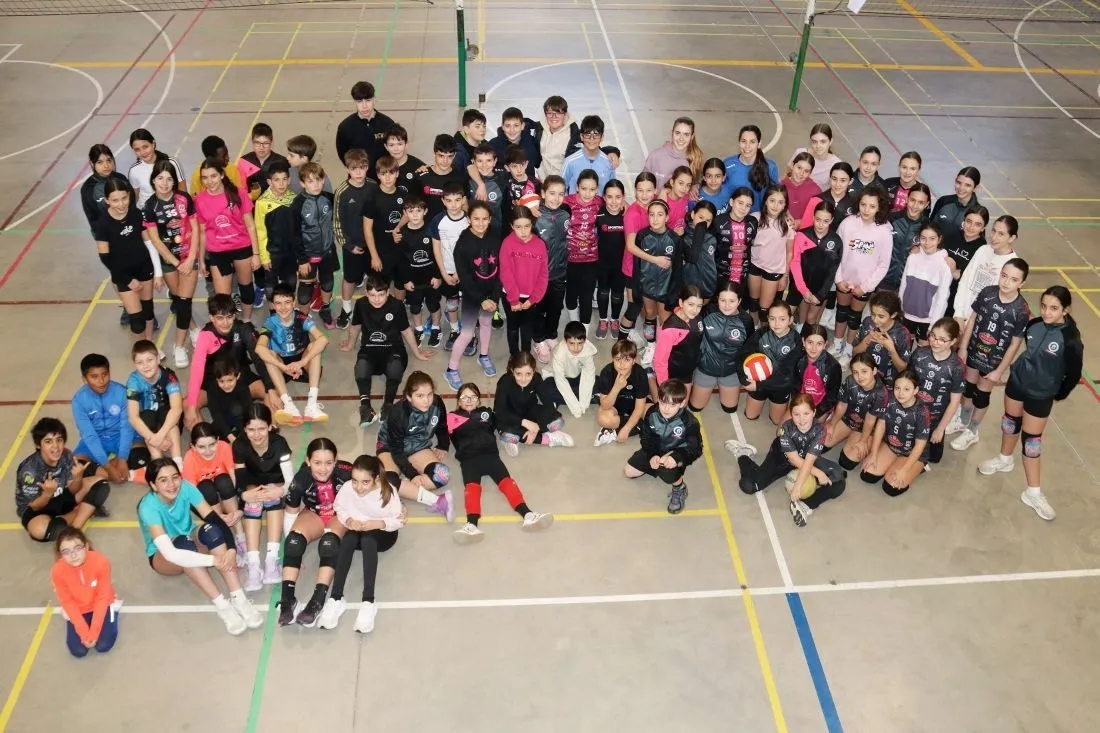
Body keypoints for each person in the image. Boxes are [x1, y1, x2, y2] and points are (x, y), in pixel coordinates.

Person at [977, 286, 1083, 520]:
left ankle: (1033, 492)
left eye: (1054, 308)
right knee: (1009, 423)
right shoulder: (1034, 325)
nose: (1046, 312)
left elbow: (1074, 374)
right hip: (1017, 384)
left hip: (1041, 394)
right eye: (1044, 306)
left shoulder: (1070, 339)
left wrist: (1056, 393)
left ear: (1065, 310)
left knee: (1032, 441)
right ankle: (1004, 459)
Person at [139, 457, 261, 634]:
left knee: (211, 530)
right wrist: (214, 560)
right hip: (163, 557)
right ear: (153, 485)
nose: (172, 485)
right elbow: (171, 554)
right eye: (163, 480)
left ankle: (239, 597)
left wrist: (232, 549)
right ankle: (223, 606)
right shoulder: (148, 507)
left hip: (190, 540)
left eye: (175, 477)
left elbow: (215, 520)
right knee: (183, 545)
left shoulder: (186, 487)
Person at [449, 385, 555, 544]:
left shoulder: (486, 413)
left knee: (507, 483)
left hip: (490, 456)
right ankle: (471, 525)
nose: (469, 400)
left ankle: (528, 514)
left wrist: (525, 429)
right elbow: (442, 432)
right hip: (469, 460)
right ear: (458, 401)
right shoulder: (452, 417)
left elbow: (504, 421)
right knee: (472, 489)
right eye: (464, 397)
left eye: (473, 397)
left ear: (478, 401)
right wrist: (441, 447)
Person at [948, 258, 1030, 452]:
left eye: (1013, 279)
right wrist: (963, 348)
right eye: (1004, 276)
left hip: (993, 361)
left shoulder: (1021, 310)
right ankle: (963, 421)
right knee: (968, 389)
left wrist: (999, 371)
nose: (1006, 282)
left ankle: (972, 431)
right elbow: (972, 321)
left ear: (1022, 283)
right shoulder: (987, 293)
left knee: (981, 395)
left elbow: (1015, 344)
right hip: (974, 351)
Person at [323, 454, 407, 632]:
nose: (358, 487)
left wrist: (379, 523)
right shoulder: (348, 488)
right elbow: (339, 507)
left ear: (376, 478)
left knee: (368, 540)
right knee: (348, 539)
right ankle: (336, 598)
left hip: (383, 535)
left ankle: (369, 601)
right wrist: (349, 521)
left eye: (365, 482)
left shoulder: (388, 491)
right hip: (358, 530)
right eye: (355, 481)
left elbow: (399, 521)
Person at [737, 393, 847, 527]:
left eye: (806, 413)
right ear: (791, 414)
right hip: (782, 458)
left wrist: (801, 486)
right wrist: (816, 475)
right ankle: (744, 454)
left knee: (838, 480)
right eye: (796, 414)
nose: (802, 419)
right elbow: (795, 460)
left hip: (806, 458)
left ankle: (805, 506)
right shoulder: (786, 429)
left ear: (814, 412)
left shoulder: (819, 430)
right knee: (748, 485)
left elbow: (809, 460)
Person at [278, 438, 353, 627]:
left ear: (336, 461)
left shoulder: (347, 473)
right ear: (308, 461)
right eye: (317, 463)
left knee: (328, 544)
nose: (323, 469)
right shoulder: (301, 478)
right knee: (293, 543)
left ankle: (317, 601)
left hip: (339, 514)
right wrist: (292, 553)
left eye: (329, 463)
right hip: (314, 514)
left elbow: (374, 485)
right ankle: (287, 600)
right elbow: (290, 513)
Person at [341, 274, 429, 427]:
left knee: (395, 369)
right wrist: (350, 344)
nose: (377, 299)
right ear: (366, 293)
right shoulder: (361, 304)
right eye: (372, 295)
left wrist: (417, 353)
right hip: (370, 349)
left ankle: (388, 405)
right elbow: (355, 327)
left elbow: (406, 330)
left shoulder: (396, 305)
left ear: (388, 292)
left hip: (393, 349)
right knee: (360, 367)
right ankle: (366, 408)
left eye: (381, 295)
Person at [185, 294, 279, 430]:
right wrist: (192, 405)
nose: (225, 322)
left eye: (229, 317)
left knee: (272, 396)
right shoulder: (205, 335)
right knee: (188, 406)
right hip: (213, 381)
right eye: (220, 318)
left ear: (234, 316)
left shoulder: (244, 329)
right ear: (211, 318)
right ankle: (205, 439)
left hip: (241, 376)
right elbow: (197, 370)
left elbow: (258, 358)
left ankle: (268, 432)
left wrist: (270, 388)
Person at [143, 159, 200, 366]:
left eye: (169, 179)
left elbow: (195, 227)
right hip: (169, 261)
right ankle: (193, 328)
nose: (164, 183)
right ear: (153, 180)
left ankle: (179, 346)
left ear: (174, 181)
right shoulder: (150, 206)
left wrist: (191, 258)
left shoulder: (184, 198)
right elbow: (155, 240)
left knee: (183, 301)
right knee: (179, 299)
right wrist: (176, 263)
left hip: (189, 257)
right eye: (160, 178)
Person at [375, 372, 456, 519]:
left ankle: (401, 488)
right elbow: (397, 450)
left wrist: (443, 445)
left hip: (418, 445)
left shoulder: (437, 403)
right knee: (388, 482)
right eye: (420, 396)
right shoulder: (398, 413)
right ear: (408, 396)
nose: (426, 400)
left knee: (442, 475)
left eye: (429, 394)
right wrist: (413, 474)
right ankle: (437, 501)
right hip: (391, 447)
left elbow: (441, 425)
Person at [16, 418, 111, 542]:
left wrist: (77, 478)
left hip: (62, 497)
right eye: (48, 441)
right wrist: (47, 494)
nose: (55, 446)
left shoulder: (66, 455)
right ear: (38, 445)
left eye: (59, 440)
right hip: (37, 510)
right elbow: (35, 507)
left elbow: (73, 491)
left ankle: (75, 530)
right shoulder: (29, 471)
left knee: (101, 483)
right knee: (41, 530)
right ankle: (85, 511)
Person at [93, 177, 162, 342]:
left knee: (148, 312)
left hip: (144, 269)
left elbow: (149, 243)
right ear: (107, 200)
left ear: (129, 196)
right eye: (115, 200)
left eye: (124, 198)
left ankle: (149, 346)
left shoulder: (136, 213)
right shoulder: (102, 223)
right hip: (123, 275)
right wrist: (127, 279)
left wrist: (158, 272)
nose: (121, 204)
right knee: (137, 321)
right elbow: (105, 257)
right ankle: (140, 350)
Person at [231, 403, 292, 592]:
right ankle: (254, 565)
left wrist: (281, 491)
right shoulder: (239, 445)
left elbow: (290, 480)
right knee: (253, 505)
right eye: (251, 430)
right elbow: (240, 480)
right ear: (244, 429)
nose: (257, 435)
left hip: (277, 484)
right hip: (253, 485)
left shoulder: (280, 444)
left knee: (272, 498)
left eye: (261, 429)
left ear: (270, 426)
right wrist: (244, 495)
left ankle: (271, 560)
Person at [194, 157, 260, 320]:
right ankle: (228, 326)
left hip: (242, 248)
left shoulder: (238, 193)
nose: (209, 181)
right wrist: (201, 260)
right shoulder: (200, 200)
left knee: (246, 287)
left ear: (222, 175)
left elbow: (251, 226)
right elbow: (202, 232)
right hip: (218, 252)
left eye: (213, 176)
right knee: (223, 297)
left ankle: (246, 321)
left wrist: (256, 254)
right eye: (205, 177)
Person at [446, 201, 502, 388]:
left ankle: (483, 356)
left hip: (490, 295)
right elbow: (465, 277)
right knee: (467, 333)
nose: (480, 223)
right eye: (476, 219)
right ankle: (451, 369)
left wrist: (494, 297)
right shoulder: (463, 243)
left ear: (490, 219)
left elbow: (501, 270)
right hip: (473, 295)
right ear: (469, 219)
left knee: (486, 323)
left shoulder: (495, 238)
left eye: (484, 219)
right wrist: (482, 299)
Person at [831, 184, 892, 356]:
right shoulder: (847, 223)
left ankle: (849, 349)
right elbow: (835, 253)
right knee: (841, 312)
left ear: (879, 208)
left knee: (854, 317)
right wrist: (839, 279)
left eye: (872, 206)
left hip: (863, 286)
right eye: (863, 204)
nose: (866, 209)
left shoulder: (884, 232)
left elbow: (883, 265)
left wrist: (865, 287)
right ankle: (837, 344)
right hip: (844, 280)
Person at [255, 282, 329, 423]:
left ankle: (311, 406)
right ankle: (289, 406)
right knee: (268, 354)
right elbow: (259, 348)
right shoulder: (270, 322)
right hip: (282, 367)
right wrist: (283, 367)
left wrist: (302, 362)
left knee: (314, 346)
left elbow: (323, 339)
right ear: (273, 305)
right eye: (278, 303)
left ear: (294, 302)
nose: (283, 307)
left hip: (303, 364)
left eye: (287, 302)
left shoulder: (301, 318)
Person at [625, 379, 702, 514]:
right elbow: (646, 437)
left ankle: (679, 487)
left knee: (666, 469)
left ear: (682, 403)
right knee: (629, 472)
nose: (666, 409)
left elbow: (696, 449)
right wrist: (652, 454)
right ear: (658, 399)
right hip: (656, 449)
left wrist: (677, 457)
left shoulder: (689, 422)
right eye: (663, 402)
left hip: (676, 452)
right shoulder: (652, 413)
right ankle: (658, 466)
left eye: (672, 405)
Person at [72, 353, 145, 492]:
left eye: (105, 374)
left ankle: (103, 471)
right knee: (75, 466)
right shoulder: (78, 401)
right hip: (97, 438)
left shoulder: (122, 392)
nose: (101, 381)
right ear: (84, 379)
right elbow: (89, 435)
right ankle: (113, 470)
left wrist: (122, 458)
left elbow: (127, 427)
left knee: (141, 454)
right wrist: (108, 467)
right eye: (94, 377)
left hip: (121, 436)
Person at [860, 370, 931, 496]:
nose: (901, 393)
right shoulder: (889, 399)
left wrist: (904, 470)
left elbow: (920, 445)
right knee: (867, 475)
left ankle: (920, 467)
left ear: (915, 390)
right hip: (891, 446)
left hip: (910, 453)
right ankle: (893, 461)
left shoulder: (921, 411)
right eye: (897, 388)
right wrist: (874, 454)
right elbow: (881, 426)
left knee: (891, 488)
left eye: (906, 389)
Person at [51, 527, 120, 658]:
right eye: (66, 551)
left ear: (86, 547)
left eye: (77, 548)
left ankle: (114, 610)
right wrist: (84, 633)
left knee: (103, 646)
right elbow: (67, 602)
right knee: (78, 651)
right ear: (60, 554)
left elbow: (102, 597)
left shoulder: (101, 561)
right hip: (79, 609)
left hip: (103, 604)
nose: (73, 555)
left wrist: (93, 633)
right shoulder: (57, 572)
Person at [182, 422, 246, 558]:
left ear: (217, 440)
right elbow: (192, 495)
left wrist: (238, 510)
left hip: (225, 494)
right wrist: (215, 517)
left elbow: (234, 477)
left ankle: (240, 536)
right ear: (193, 447)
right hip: (207, 498)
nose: (208, 451)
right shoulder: (189, 458)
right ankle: (220, 527)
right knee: (205, 486)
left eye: (212, 444)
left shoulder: (224, 447)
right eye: (201, 447)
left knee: (223, 480)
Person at [689, 281, 753, 414]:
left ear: (739, 301)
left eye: (732, 301)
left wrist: (747, 373)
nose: (727, 305)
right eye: (723, 300)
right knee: (695, 407)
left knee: (729, 409)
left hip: (731, 370)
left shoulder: (746, 320)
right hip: (706, 367)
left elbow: (748, 349)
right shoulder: (707, 312)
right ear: (717, 299)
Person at [907, 317, 964, 466]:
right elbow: (906, 382)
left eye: (942, 340)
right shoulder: (919, 354)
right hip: (912, 413)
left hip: (935, 419)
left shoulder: (956, 367)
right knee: (907, 450)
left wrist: (940, 429)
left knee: (934, 458)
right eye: (932, 336)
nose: (935, 342)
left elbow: (954, 402)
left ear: (953, 341)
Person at [493, 351, 575, 455]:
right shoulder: (504, 382)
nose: (523, 379)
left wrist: (535, 428)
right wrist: (525, 423)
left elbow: (548, 404)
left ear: (534, 371)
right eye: (518, 374)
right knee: (504, 427)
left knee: (557, 419)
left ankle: (516, 437)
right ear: (512, 371)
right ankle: (548, 438)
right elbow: (499, 412)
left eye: (528, 374)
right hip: (510, 416)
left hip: (529, 410)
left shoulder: (537, 378)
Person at [738, 301, 804, 425]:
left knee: (777, 421)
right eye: (772, 318)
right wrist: (744, 379)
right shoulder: (761, 333)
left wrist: (759, 385)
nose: (777, 323)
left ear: (790, 320)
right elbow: (743, 354)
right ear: (768, 319)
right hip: (759, 380)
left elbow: (788, 373)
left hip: (780, 385)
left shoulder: (796, 340)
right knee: (750, 415)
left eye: (782, 319)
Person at [290, 161, 338, 327]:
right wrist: (302, 259)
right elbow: (295, 235)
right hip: (308, 255)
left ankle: (325, 309)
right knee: (305, 288)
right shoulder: (297, 204)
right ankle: (302, 318)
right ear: (302, 183)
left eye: (318, 180)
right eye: (310, 181)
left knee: (328, 281)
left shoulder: (328, 198)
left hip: (327, 250)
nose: (316, 184)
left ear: (323, 180)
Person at [823, 351, 890, 469]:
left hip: (867, 428)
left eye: (864, 371)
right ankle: (847, 433)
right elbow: (842, 405)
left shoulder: (880, 393)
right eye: (855, 372)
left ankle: (872, 442)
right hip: (848, 419)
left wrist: (863, 440)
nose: (860, 376)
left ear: (874, 371)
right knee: (822, 442)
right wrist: (832, 424)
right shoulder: (850, 381)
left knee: (846, 462)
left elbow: (870, 420)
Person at [355, 154, 406, 310]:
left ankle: (398, 309)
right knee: (380, 286)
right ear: (378, 175)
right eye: (383, 174)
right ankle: (382, 311)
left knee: (400, 283)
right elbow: (367, 229)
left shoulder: (403, 194)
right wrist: (374, 256)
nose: (388, 178)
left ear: (397, 173)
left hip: (400, 251)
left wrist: (398, 227)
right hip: (381, 252)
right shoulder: (372, 198)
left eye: (391, 173)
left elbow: (407, 215)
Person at [499, 205, 549, 356]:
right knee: (513, 326)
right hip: (511, 296)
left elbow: (543, 275)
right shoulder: (507, 244)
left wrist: (533, 298)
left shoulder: (540, 244)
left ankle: (526, 357)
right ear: (511, 226)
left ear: (532, 224)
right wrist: (514, 300)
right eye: (518, 227)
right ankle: (514, 357)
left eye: (527, 226)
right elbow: (505, 273)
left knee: (527, 327)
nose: (523, 231)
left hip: (531, 297)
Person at [952, 215, 1020, 323]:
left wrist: (971, 323)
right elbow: (965, 281)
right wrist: (958, 314)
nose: (994, 237)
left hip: (982, 323)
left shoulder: (1013, 265)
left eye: (1001, 234)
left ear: (1012, 238)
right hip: (960, 317)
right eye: (993, 231)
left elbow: (1001, 302)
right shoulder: (983, 250)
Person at [397, 193, 444, 346]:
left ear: (425, 211)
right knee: (415, 306)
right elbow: (401, 260)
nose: (415, 215)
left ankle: (436, 328)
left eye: (418, 210)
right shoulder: (401, 234)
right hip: (413, 280)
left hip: (431, 278)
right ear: (405, 213)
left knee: (433, 305)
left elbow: (438, 255)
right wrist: (406, 280)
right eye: (411, 211)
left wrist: (438, 276)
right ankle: (418, 329)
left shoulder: (432, 230)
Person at [628, 200, 680, 337]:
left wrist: (674, 290)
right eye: (652, 214)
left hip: (666, 289)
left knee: (665, 319)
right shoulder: (642, 236)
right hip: (647, 286)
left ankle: (663, 345)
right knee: (650, 314)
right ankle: (650, 344)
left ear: (667, 217)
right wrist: (637, 286)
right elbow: (637, 266)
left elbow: (678, 269)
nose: (655, 219)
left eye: (660, 214)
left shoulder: (674, 239)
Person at [126, 339, 183, 463]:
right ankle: (158, 462)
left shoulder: (169, 375)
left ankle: (178, 462)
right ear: (134, 364)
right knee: (146, 419)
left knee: (169, 417)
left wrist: (160, 435)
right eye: (140, 362)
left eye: (150, 360)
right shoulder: (133, 381)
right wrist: (154, 439)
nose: (145, 366)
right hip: (148, 420)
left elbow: (177, 409)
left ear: (158, 359)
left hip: (167, 417)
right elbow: (133, 417)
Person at [429, 181, 471, 352]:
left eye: (457, 200)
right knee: (451, 303)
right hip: (447, 271)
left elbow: (471, 249)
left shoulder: (469, 219)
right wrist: (444, 273)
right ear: (443, 201)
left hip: (466, 272)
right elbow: (436, 248)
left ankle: (469, 333)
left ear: (463, 200)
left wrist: (462, 272)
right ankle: (454, 331)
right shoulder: (438, 221)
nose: (453, 205)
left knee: (468, 303)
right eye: (449, 200)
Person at [333, 148, 372, 327]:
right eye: (354, 168)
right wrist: (348, 245)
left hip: (372, 245)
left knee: (375, 277)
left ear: (367, 167)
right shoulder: (342, 192)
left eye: (362, 168)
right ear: (347, 169)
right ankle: (346, 309)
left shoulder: (373, 186)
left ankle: (375, 307)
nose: (358, 172)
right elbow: (337, 223)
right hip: (353, 246)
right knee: (349, 279)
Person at [618, 173, 660, 343]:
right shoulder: (633, 214)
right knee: (634, 307)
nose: (644, 195)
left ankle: (650, 344)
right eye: (640, 190)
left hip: (650, 268)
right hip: (633, 268)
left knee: (651, 309)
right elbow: (630, 246)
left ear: (655, 190)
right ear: (635, 190)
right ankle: (621, 342)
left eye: (649, 190)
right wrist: (655, 260)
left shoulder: (656, 207)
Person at [533, 175, 571, 361]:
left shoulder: (566, 214)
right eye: (552, 193)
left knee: (555, 307)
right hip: (538, 276)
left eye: (560, 194)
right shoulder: (534, 215)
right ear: (542, 193)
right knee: (538, 309)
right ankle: (539, 339)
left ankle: (551, 335)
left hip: (559, 272)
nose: (556, 198)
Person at [789, 200, 841, 326]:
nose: (821, 224)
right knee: (787, 314)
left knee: (811, 319)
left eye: (826, 221)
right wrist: (803, 289)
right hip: (799, 284)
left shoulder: (836, 241)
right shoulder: (802, 235)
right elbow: (795, 262)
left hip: (820, 287)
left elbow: (833, 271)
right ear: (813, 217)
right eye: (818, 219)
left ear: (832, 220)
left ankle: (805, 335)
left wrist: (821, 294)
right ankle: (799, 328)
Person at [747, 185, 794, 325]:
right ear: (766, 201)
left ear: (785, 205)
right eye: (772, 200)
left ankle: (763, 331)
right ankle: (753, 329)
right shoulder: (755, 218)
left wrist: (785, 276)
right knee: (753, 304)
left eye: (780, 202)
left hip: (773, 270)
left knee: (764, 310)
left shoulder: (787, 224)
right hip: (755, 266)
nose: (775, 205)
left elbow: (789, 252)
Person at [899, 222, 953, 344]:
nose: (927, 243)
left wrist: (934, 324)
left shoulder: (944, 265)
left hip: (927, 320)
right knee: (904, 347)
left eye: (932, 238)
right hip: (907, 315)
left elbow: (942, 298)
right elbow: (904, 285)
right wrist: (901, 309)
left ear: (939, 239)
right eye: (923, 238)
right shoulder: (913, 257)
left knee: (923, 351)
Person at [563, 169, 603, 331]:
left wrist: (625, 204)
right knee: (571, 294)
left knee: (587, 296)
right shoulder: (566, 201)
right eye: (584, 188)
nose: (588, 193)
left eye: (592, 189)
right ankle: (574, 327)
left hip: (591, 259)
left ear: (597, 189)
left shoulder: (600, 202)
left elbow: (618, 205)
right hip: (570, 258)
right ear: (577, 187)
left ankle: (583, 333)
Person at [254, 159, 298, 300]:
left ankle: (289, 307)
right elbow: (260, 231)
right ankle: (273, 310)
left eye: (284, 179)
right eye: (276, 180)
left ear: (289, 180)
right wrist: (264, 256)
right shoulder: (262, 202)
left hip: (291, 252)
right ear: (269, 182)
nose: (281, 184)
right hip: (272, 253)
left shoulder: (294, 199)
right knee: (270, 286)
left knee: (291, 281)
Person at [593, 339, 650, 447]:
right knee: (603, 419)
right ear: (613, 359)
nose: (621, 364)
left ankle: (612, 431)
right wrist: (617, 387)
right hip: (615, 407)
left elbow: (639, 408)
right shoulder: (607, 372)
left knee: (654, 415)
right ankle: (640, 426)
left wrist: (626, 429)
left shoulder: (640, 374)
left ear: (634, 361)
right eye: (618, 359)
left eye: (627, 360)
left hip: (635, 405)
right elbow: (605, 406)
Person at [851, 290, 914, 387]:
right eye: (873, 314)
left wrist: (891, 349)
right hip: (864, 377)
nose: (875, 319)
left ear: (893, 315)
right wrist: (867, 340)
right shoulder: (867, 323)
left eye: (881, 316)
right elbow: (854, 353)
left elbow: (902, 369)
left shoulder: (902, 334)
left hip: (887, 383)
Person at [335, 80, 396, 176]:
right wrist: (357, 172)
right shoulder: (345, 127)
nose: (364, 106)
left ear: (374, 99)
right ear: (354, 101)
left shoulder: (387, 124)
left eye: (368, 100)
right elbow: (343, 155)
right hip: (358, 179)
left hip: (384, 179)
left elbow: (395, 151)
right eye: (359, 101)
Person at [882, 183, 932, 292]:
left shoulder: (928, 227)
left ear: (927, 204)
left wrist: (921, 250)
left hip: (907, 285)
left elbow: (932, 256)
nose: (915, 206)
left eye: (921, 202)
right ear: (907, 199)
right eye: (913, 200)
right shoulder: (891, 218)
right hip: (883, 280)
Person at [543, 320, 599, 419]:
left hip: (576, 376)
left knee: (598, 381)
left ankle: (559, 400)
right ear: (565, 341)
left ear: (585, 341)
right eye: (572, 343)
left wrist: (583, 404)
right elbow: (560, 381)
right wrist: (575, 407)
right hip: (555, 377)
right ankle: (590, 396)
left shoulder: (587, 350)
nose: (576, 348)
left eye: (580, 343)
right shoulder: (559, 353)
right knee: (545, 389)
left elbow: (589, 375)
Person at [652, 286, 704, 390]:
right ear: (681, 303)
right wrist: (664, 385)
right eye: (690, 304)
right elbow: (660, 361)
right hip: (672, 376)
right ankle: (650, 377)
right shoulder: (669, 328)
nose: (695, 310)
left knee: (684, 399)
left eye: (699, 306)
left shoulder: (697, 319)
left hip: (688, 372)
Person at [595, 180, 627, 339]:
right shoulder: (598, 214)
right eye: (609, 197)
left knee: (617, 294)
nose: (614, 201)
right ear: (603, 197)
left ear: (623, 197)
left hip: (621, 264)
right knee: (602, 293)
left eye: (618, 197)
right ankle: (603, 320)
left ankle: (614, 319)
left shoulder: (627, 215)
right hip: (602, 264)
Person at [720, 124, 779, 213]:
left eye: (752, 142)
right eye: (743, 141)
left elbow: (776, 196)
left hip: (759, 218)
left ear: (759, 144)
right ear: (739, 142)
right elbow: (715, 188)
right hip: (734, 218)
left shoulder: (770, 167)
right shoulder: (727, 164)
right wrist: (697, 187)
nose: (747, 146)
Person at [942, 205, 988, 317]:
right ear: (964, 221)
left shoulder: (983, 250)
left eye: (977, 224)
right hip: (939, 292)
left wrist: (956, 273)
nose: (971, 227)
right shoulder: (950, 236)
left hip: (958, 301)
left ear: (983, 228)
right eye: (969, 221)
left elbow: (976, 280)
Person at [674, 201, 719, 303]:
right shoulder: (683, 237)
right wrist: (677, 238)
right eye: (701, 217)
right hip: (688, 289)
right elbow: (692, 258)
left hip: (708, 287)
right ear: (693, 214)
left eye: (708, 220)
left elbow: (711, 264)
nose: (703, 223)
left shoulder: (712, 239)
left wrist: (711, 285)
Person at [416, 134, 469, 221]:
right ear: (434, 154)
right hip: (426, 227)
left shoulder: (461, 179)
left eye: (449, 156)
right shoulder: (421, 176)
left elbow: (464, 206)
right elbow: (413, 205)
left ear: (454, 155)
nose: (445, 161)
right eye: (441, 156)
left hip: (452, 227)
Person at [794, 323, 842, 420]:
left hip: (821, 406)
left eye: (819, 344)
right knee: (782, 427)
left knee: (808, 428)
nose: (814, 348)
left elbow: (832, 397)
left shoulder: (833, 366)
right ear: (803, 341)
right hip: (802, 401)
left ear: (825, 344)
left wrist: (816, 412)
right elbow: (795, 384)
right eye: (810, 342)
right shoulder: (797, 358)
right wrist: (797, 403)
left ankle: (828, 415)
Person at [127, 128, 185, 208]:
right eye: (137, 149)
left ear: (153, 144)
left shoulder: (172, 162)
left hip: (170, 211)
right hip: (145, 212)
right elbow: (135, 196)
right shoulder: (134, 170)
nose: (142, 152)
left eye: (145, 147)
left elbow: (183, 191)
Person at [81, 144, 131, 235]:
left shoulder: (121, 178)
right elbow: (93, 218)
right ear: (92, 163)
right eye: (100, 162)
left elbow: (132, 204)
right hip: (109, 234)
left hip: (130, 228)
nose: (106, 165)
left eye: (109, 160)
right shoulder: (88, 188)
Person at [715, 187, 757, 294]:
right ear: (731, 202)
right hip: (720, 274)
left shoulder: (753, 222)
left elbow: (751, 243)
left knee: (738, 301)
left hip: (743, 274)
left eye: (748, 205)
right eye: (740, 203)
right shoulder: (718, 221)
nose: (743, 208)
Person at [204, 356, 256, 442]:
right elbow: (216, 414)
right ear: (217, 379)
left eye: (230, 380)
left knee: (243, 417)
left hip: (240, 416)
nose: (226, 385)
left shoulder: (242, 386)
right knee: (211, 436)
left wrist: (244, 432)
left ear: (238, 376)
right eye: (221, 381)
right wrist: (229, 435)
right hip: (223, 417)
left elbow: (249, 408)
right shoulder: (212, 389)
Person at [643, 117, 704, 189]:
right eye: (677, 133)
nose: (681, 138)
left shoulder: (696, 158)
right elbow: (643, 184)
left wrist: (695, 186)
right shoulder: (655, 156)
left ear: (692, 136)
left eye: (686, 134)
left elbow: (699, 183)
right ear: (672, 132)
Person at [561, 115, 615, 193]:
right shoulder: (570, 161)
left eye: (596, 134)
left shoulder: (609, 162)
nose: (591, 139)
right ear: (581, 136)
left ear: (602, 137)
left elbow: (613, 190)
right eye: (587, 134)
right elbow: (561, 187)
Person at [799, 161, 855, 229]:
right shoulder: (816, 200)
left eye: (843, 180)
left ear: (850, 181)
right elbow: (804, 229)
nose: (837, 184)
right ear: (830, 178)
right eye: (834, 179)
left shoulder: (854, 205)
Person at [240, 122, 289, 198]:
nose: (261, 147)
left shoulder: (282, 161)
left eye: (266, 143)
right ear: (252, 142)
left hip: (275, 203)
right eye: (257, 142)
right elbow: (240, 189)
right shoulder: (244, 161)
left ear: (272, 142)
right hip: (251, 203)